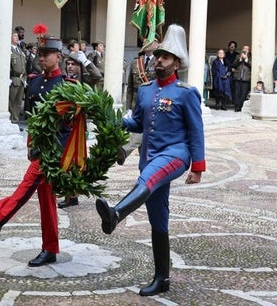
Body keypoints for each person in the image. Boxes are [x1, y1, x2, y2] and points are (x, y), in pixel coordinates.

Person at [95, 24, 205, 297]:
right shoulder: (145, 90)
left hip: (175, 154)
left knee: (148, 178)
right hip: (150, 155)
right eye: (157, 56)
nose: (158, 61)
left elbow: (196, 130)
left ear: (176, 62)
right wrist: (109, 118)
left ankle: (116, 213)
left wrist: (198, 167)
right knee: (158, 219)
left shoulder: (185, 92)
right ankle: (161, 277)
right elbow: (137, 123)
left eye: (165, 57)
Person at [0, 36, 90, 267]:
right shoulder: (34, 83)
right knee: (46, 201)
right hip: (39, 148)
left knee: (28, 181)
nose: (42, 58)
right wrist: (30, 145)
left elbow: (73, 123)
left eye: (47, 54)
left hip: (57, 151)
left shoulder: (69, 86)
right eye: (40, 54)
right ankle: (50, 249)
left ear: (59, 56)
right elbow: (33, 119)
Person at [57, 50, 103, 209]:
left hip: (78, 125)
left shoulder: (85, 80)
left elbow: (97, 76)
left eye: (73, 64)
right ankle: (69, 193)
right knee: (63, 159)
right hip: (63, 123)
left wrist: (86, 62)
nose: (70, 67)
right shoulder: (64, 80)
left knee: (75, 159)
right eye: (68, 64)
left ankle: (72, 195)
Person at [118, 39, 159, 165]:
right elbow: (130, 88)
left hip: (151, 104)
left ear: (156, 45)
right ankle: (144, 170)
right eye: (144, 42)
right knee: (144, 143)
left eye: (150, 42)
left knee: (143, 130)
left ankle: (125, 149)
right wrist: (128, 107)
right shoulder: (136, 62)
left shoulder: (159, 62)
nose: (145, 44)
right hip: (136, 104)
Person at [9, 30, 27, 125]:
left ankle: (15, 121)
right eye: (14, 36)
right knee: (11, 102)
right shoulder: (8, 49)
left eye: (17, 36)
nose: (17, 37)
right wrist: (8, 78)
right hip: (13, 78)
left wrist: (25, 78)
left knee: (18, 102)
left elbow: (24, 66)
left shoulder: (19, 50)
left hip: (21, 79)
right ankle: (10, 121)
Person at [232, 45, 251, 112]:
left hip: (246, 78)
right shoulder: (238, 56)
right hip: (238, 77)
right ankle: (236, 107)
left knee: (243, 94)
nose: (245, 50)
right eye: (244, 49)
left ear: (249, 51)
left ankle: (240, 106)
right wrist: (240, 59)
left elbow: (252, 65)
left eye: (247, 49)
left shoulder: (251, 57)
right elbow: (233, 65)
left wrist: (246, 60)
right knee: (237, 93)